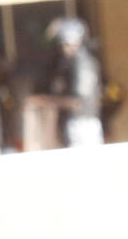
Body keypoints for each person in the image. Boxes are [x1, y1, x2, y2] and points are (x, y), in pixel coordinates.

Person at [44, 18, 104, 148]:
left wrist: (44, 101)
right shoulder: (75, 62)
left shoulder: (80, 62)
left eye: (64, 43)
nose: (62, 48)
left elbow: (77, 102)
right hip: (83, 122)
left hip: (82, 124)